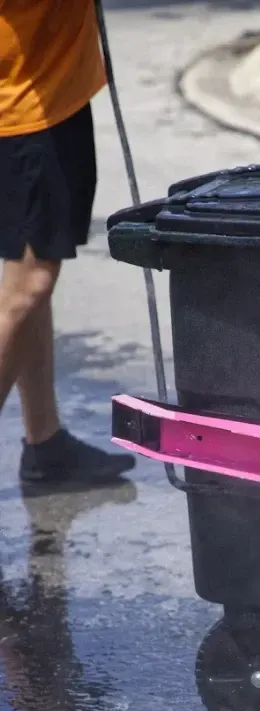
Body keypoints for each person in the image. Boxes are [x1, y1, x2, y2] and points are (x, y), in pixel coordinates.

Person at [0, 0, 136, 483]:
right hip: (23, 102)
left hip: (39, 82)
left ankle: (45, 443)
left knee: (30, 276)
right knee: (29, 285)